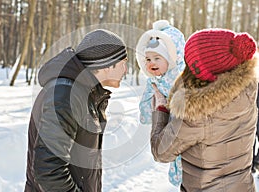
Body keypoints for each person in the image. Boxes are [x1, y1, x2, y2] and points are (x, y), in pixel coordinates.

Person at [151, 28, 258, 192]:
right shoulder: (248, 92)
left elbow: (161, 152)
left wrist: (160, 110)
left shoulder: (196, 115)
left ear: (201, 72)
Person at [24, 29, 128, 192]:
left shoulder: (85, 94)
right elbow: (49, 170)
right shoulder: (65, 95)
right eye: (123, 63)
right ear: (107, 64)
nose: (126, 70)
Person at [136, 20, 185, 187]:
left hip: (183, 128)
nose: (151, 63)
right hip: (169, 129)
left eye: (157, 58)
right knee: (174, 156)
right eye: (148, 59)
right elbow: (146, 103)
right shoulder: (154, 82)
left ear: (172, 58)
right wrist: (147, 113)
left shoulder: (183, 77)